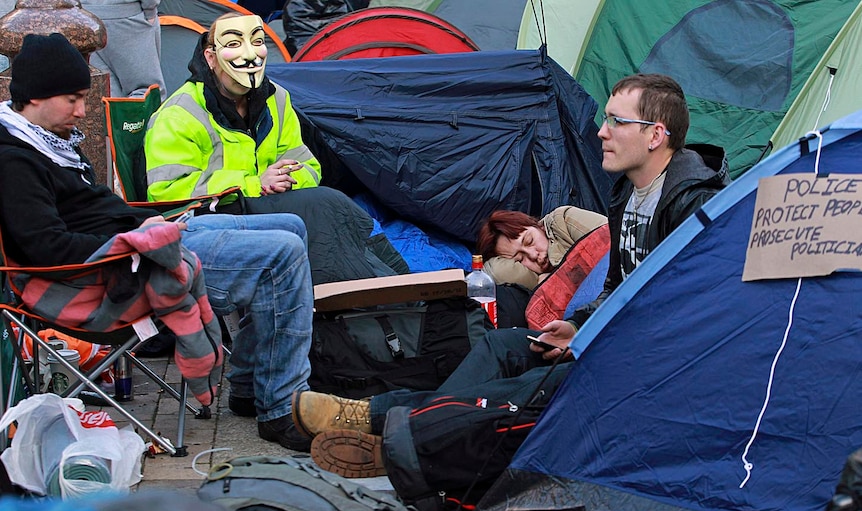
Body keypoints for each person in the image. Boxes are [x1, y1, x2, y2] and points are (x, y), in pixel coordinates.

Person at [293, 72, 731, 477]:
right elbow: (619, 286)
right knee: (504, 344)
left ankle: (384, 428)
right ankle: (402, 431)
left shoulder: (692, 204)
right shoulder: (628, 193)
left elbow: (695, 313)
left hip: (649, 365)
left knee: (528, 386)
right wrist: (577, 325)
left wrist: (604, 344)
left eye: (617, 121)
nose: (601, 131)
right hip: (615, 343)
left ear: (655, 135)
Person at [0, 33, 314, 451]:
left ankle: (249, 383)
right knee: (282, 254)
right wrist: (138, 240)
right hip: (113, 270)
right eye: (73, 99)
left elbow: (90, 213)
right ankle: (278, 407)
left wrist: (156, 224)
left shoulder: (50, 144)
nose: (82, 110)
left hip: (142, 237)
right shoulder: (14, 161)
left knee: (291, 225)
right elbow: (48, 248)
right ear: (37, 96)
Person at [144, 12, 406, 284]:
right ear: (210, 58)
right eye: (233, 44)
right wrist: (254, 184)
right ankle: (358, 299)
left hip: (271, 204)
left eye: (257, 42)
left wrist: (286, 180)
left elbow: (308, 165)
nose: (249, 54)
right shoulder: (179, 114)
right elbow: (167, 192)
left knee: (331, 206)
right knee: (324, 206)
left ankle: (395, 288)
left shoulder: (277, 99)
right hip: (212, 217)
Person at [475, 206, 608, 289]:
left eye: (529, 240)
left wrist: (555, 280)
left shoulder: (562, 221)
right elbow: (494, 271)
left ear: (536, 225)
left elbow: (616, 243)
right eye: (520, 259)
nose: (533, 255)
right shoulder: (532, 279)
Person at [82, 0, 167, 99]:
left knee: (104, 93)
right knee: (145, 91)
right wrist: (150, 12)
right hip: (129, 18)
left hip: (85, 20)